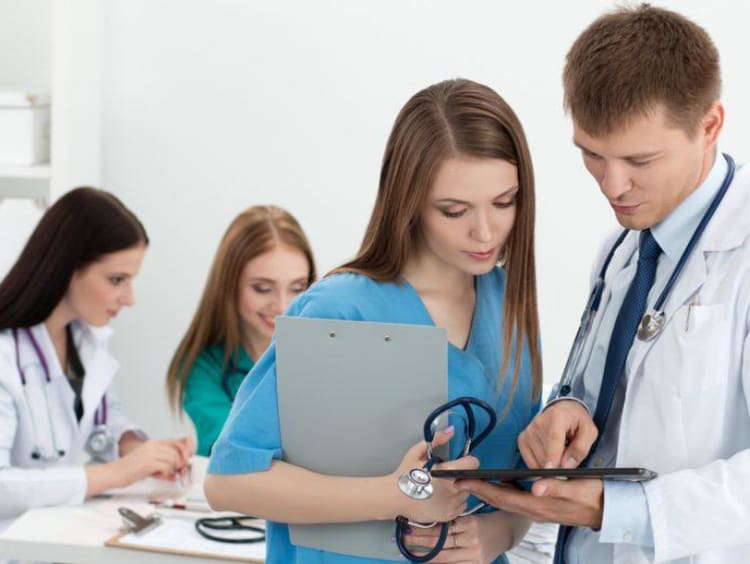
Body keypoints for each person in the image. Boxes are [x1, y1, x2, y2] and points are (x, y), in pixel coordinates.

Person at [203, 78, 543, 563]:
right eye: (454, 210)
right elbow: (229, 482)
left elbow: (519, 485)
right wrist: (394, 496)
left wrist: (499, 536)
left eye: (504, 202)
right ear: (409, 202)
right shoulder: (339, 310)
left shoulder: (508, 302)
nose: (485, 231)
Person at [465, 5, 750, 564]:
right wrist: (567, 408)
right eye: (591, 154)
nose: (613, 185)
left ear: (710, 124)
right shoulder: (622, 250)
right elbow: (615, 396)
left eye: (639, 159)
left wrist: (615, 509)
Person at [0, 187, 195, 521]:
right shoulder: (5, 354)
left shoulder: (83, 340)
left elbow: (101, 423)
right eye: (116, 279)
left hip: (49, 539)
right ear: (67, 267)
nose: (129, 298)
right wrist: (120, 472)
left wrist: (137, 449)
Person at [166, 205, 316, 456]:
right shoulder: (203, 366)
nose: (282, 306)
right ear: (228, 285)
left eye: (298, 287)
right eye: (262, 288)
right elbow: (231, 449)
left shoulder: (325, 357)